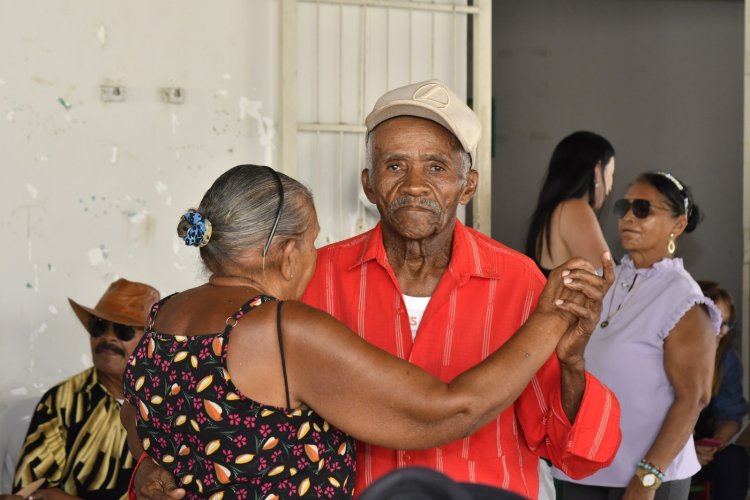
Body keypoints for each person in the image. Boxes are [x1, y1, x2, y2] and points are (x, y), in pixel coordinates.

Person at [131, 80, 622, 499]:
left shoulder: (520, 283)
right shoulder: (308, 280)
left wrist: (573, 366)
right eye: (394, 166)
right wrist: (153, 465)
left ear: (467, 185)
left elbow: (571, 452)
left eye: (436, 167)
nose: (414, 185)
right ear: (368, 184)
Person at [553, 172, 720, 500]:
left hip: (646, 477)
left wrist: (648, 477)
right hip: (587, 466)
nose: (628, 216)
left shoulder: (682, 297)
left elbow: (694, 397)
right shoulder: (608, 280)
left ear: (678, 224)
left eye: (643, 208)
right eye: (624, 207)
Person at [5, 279, 159, 500]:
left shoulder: (165, 402)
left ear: (148, 341)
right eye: (98, 326)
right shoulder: (62, 400)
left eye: (123, 330)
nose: (108, 338)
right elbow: (33, 491)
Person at [525, 131, 616, 276]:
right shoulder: (574, 209)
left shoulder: (554, 210)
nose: (611, 186)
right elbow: (609, 280)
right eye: (611, 173)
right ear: (597, 169)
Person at [691, 281, 749, 500]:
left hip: (700, 447)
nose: (722, 331)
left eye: (727, 323)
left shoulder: (725, 358)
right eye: (715, 320)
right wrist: (687, 450)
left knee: (735, 459)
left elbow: (730, 414)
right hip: (662, 447)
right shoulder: (664, 351)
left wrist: (715, 444)